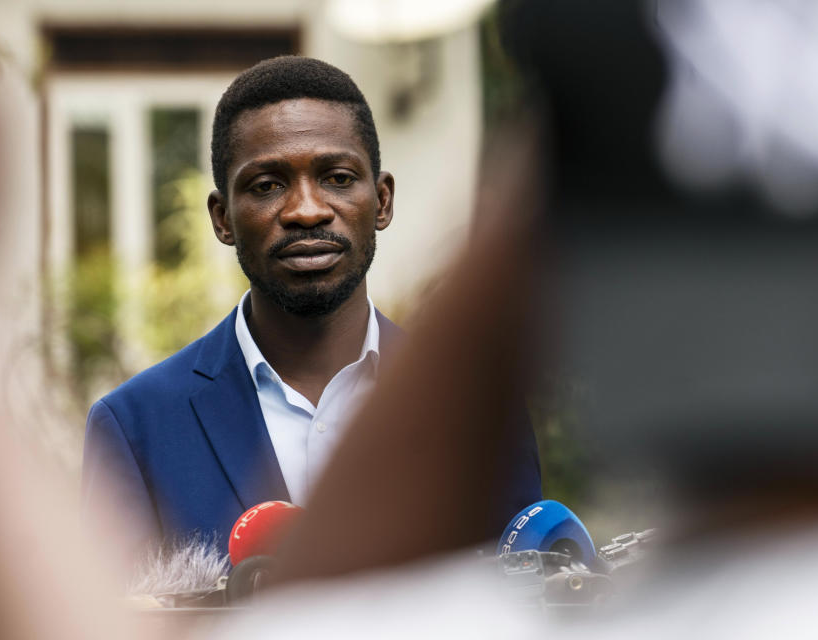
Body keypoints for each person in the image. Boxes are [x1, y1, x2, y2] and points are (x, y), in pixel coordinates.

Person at [81, 55, 544, 566]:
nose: (306, 209)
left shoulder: (477, 404)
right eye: (267, 185)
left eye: (338, 178)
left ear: (383, 200)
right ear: (223, 218)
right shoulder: (135, 427)